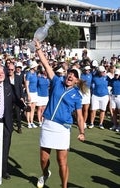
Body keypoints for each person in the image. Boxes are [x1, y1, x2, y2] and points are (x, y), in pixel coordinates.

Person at [35, 41, 85, 188]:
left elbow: (80, 117)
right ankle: (45, 174)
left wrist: (82, 132)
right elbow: (46, 65)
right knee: (44, 159)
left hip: (63, 129)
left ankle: (64, 186)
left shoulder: (77, 95)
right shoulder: (57, 81)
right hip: (48, 124)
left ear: (77, 80)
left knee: (61, 161)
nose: (70, 76)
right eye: (70, 73)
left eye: (74, 75)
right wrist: (38, 49)